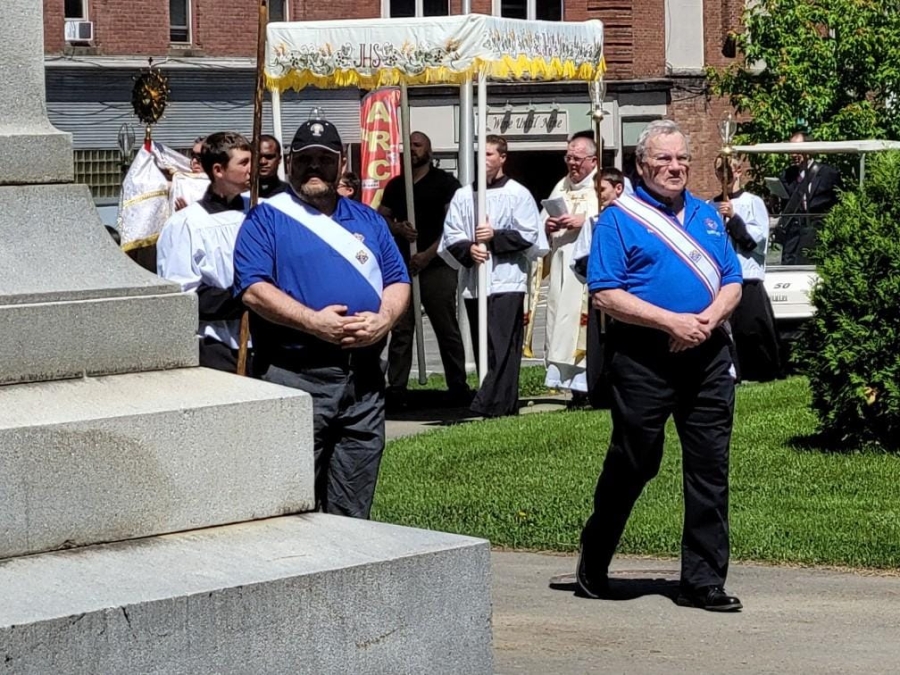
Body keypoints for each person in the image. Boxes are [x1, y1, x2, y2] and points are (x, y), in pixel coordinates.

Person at [577, 120, 744, 611]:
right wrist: (671, 322)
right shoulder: (617, 219)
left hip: (707, 355)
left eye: (682, 159)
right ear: (641, 166)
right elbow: (605, 292)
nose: (675, 168)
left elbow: (733, 278)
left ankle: (703, 581)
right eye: (663, 160)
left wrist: (707, 320)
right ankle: (596, 554)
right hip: (644, 359)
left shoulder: (708, 217)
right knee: (636, 460)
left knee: (709, 468)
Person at [233, 118, 410, 519]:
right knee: (290, 504)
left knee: (353, 504)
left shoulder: (368, 220)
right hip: (296, 376)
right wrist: (313, 322)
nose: (315, 168)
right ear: (289, 163)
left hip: (363, 380)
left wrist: (384, 318)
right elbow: (253, 289)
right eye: (306, 159)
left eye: (325, 160)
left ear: (340, 163)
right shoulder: (265, 219)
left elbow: (398, 280)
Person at [438, 135, 548, 418]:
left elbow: (529, 234)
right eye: (479, 155)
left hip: (507, 280)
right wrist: (470, 249)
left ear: (502, 158)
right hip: (476, 282)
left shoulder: (518, 193)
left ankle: (490, 402)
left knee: (502, 345)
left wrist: (495, 237)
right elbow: (452, 235)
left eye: (489, 154)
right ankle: (501, 404)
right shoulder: (464, 196)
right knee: (483, 345)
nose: (483, 160)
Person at [379, 131, 470, 408]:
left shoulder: (445, 184)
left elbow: (452, 226)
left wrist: (427, 255)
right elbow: (381, 216)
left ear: (429, 151)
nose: (413, 150)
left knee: (445, 325)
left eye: (418, 145)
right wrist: (396, 227)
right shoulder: (396, 185)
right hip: (403, 266)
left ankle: (457, 384)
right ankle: (397, 387)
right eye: (408, 146)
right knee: (401, 328)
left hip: (437, 264)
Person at [157, 131, 252, 372]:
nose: (253, 168)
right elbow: (182, 294)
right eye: (244, 162)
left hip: (264, 341)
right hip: (218, 346)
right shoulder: (187, 224)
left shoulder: (260, 212)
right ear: (219, 170)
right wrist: (246, 299)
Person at [712, 156, 782, 383]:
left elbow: (755, 241)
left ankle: (762, 372)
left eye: (729, 170)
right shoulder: (708, 206)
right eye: (720, 171)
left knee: (752, 328)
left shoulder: (753, 202)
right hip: (721, 280)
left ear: (739, 171)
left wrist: (733, 218)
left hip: (747, 275)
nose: (725, 176)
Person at [541, 135, 599, 404]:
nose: (572, 164)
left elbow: (618, 217)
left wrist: (584, 221)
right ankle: (572, 387)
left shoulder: (604, 185)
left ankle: (591, 383)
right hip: (562, 265)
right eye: (569, 158)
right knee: (561, 323)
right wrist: (549, 226)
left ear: (593, 161)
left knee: (581, 325)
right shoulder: (561, 186)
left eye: (577, 159)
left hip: (587, 270)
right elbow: (542, 224)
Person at [570, 167, 627, 408]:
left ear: (618, 188)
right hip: (601, 295)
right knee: (599, 342)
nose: (599, 194)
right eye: (596, 190)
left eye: (602, 189)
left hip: (628, 296)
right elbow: (578, 259)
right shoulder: (593, 222)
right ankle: (600, 392)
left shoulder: (631, 220)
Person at [777, 131, 840, 265]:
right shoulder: (786, 175)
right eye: (790, 150)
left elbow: (838, 202)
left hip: (817, 231)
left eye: (797, 150)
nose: (793, 154)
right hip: (792, 235)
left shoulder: (828, 174)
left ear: (809, 150)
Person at [172, 136, 210, 212]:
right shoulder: (181, 181)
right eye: (193, 156)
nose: (195, 161)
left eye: (200, 156)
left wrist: (188, 214)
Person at [257, 134, 288, 198]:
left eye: (269, 157)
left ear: (279, 159)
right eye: (258, 157)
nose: (263, 162)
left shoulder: (290, 194)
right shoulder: (240, 195)